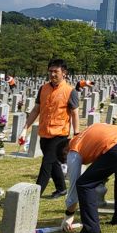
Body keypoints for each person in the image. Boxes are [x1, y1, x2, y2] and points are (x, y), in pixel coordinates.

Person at [60, 123, 117, 233]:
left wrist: (69, 214)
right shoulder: (85, 135)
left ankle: (91, 229)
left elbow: (74, 185)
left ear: (65, 152)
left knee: (84, 184)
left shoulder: (73, 149)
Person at [20, 59, 79, 198]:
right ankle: (61, 188)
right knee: (53, 163)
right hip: (44, 133)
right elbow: (36, 110)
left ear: (64, 73)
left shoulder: (70, 91)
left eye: (56, 71)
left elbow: (75, 113)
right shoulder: (43, 88)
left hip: (59, 135)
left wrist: (76, 133)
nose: (52, 74)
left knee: (46, 164)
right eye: (50, 71)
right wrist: (25, 128)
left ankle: (34, 194)